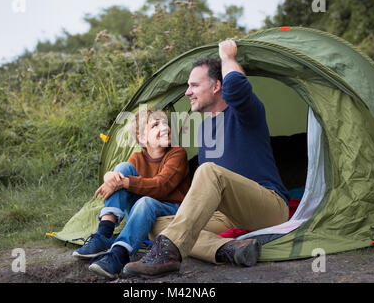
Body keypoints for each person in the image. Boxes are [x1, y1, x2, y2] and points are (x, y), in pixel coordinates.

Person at [123, 39, 290, 277]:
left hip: (268, 207)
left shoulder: (247, 113)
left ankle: (168, 254)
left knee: (208, 170)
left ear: (216, 87)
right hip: (226, 216)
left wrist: (227, 57)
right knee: (155, 224)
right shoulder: (203, 129)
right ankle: (228, 249)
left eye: (194, 85)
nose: (187, 92)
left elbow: (236, 88)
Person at [72, 108, 190, 279]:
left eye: (165, 123)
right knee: (122, 169)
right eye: (156, 125)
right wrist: (109, 176)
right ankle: (104, 234)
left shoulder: (177, 153)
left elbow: (161, 186)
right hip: (142, 211)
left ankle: (119, 255)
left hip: (171, 210)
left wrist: (123, 182)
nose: (164, 127)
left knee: (142, 199)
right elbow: (120, 176)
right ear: (142, 138)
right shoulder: (137, 158)